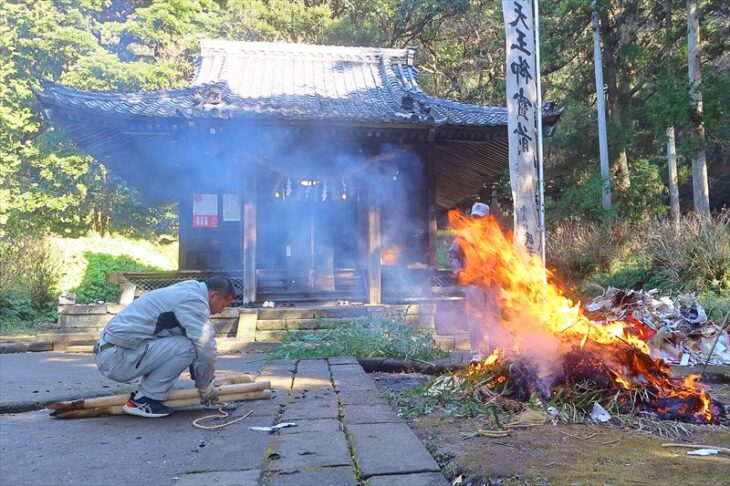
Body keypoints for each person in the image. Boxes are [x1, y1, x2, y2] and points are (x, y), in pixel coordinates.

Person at [93, 276, 236, 418]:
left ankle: (147, 394)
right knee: (188, 347)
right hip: (117, 358)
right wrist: (205, 385)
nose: (220, 311)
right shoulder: (192, 300)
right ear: (213, 295)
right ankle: (144, 401)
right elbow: (205, 345)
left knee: (187, 342)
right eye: (223, 305)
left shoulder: (190, 289)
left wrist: (204, 379)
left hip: (112, 352)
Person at [447, 202, 500, 362]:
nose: (477, 220)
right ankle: (477, 353)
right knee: (476, 319)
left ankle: (494, 352)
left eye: (480, 217)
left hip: (493, 283)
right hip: (473, 283)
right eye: (475, 217)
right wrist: (459, 271)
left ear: (487, 218)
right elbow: (452, 255)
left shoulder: (496, 236)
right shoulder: (464, 235)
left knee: (494, 318)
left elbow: (505, 258)